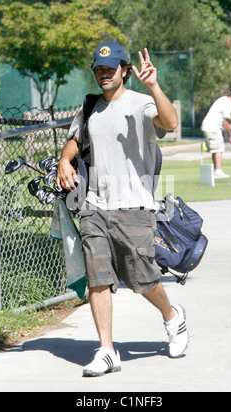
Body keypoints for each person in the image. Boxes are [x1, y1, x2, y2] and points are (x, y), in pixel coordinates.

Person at [57, 41, 189, 377]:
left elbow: (170, 122)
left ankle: (172, 316)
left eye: (111, 68)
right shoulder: (89, 107)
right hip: (94, 206)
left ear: (125, 71)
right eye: (99, 69)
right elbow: (76, 138)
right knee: (98, 280)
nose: (104, 73)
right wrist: (64, 161)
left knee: (142, 279)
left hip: (134, 205)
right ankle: (106, 351)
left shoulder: (141, 103)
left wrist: (154, 86)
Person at [201, 88, 231, 178]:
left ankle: (216, 170)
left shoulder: (222, 99)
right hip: (213, 127)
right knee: (218, 149)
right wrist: (230, 136)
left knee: (215, 149)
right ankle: (217, 171)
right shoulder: (228, 104)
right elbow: (226, 122)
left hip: (209, 126)